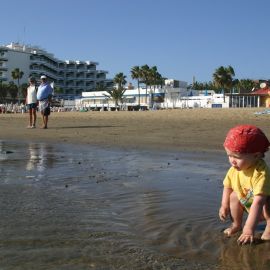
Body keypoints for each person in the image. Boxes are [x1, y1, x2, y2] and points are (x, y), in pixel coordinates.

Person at [219, 124, 270, 245]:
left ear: (256, 155)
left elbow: (258, 202)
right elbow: (228, 186)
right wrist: (224, 205)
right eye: (229, 156)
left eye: (236, 157)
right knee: (234, 196)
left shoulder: (261, 173)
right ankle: (236, 224)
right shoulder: (234, 169)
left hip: (263, 206)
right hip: (248, 202)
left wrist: (249, 230)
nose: (232, 161)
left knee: (268, 203)